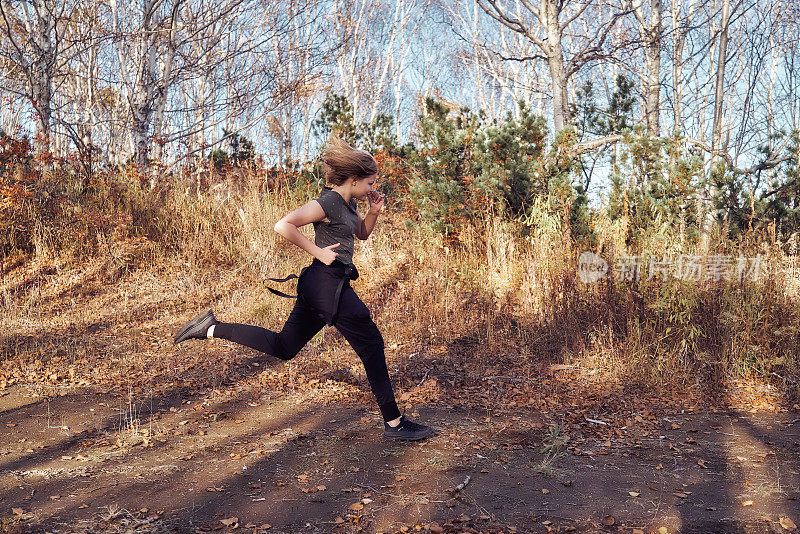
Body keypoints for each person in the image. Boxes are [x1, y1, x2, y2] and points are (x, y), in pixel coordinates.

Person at [173, 137, 433, 441]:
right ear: (353, 179)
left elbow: (360, 234)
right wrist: (318, 251)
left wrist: (374, 210)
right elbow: (284, 225)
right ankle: (394, 424)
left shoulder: (348, 204)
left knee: (284, 346)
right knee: (372, 343)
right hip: (327, 283)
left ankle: (210, 328)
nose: (373, 187)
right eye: (370, 182)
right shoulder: (328, 202)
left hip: (320, 284)